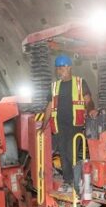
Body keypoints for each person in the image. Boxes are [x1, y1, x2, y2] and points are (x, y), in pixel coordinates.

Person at [40, 54, 97, 191]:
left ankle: (76, 182)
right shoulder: (54, 86)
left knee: (71, 154)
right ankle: (67, 181)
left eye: (62, 68)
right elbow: (49, 106)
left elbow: (88, 100)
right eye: (57, 69)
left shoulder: (79, 82)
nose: (59, 71)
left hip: (74, 125)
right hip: (59, 126)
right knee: (63, 154)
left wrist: (91, 110)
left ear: (69, 67)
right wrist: (43, 125)